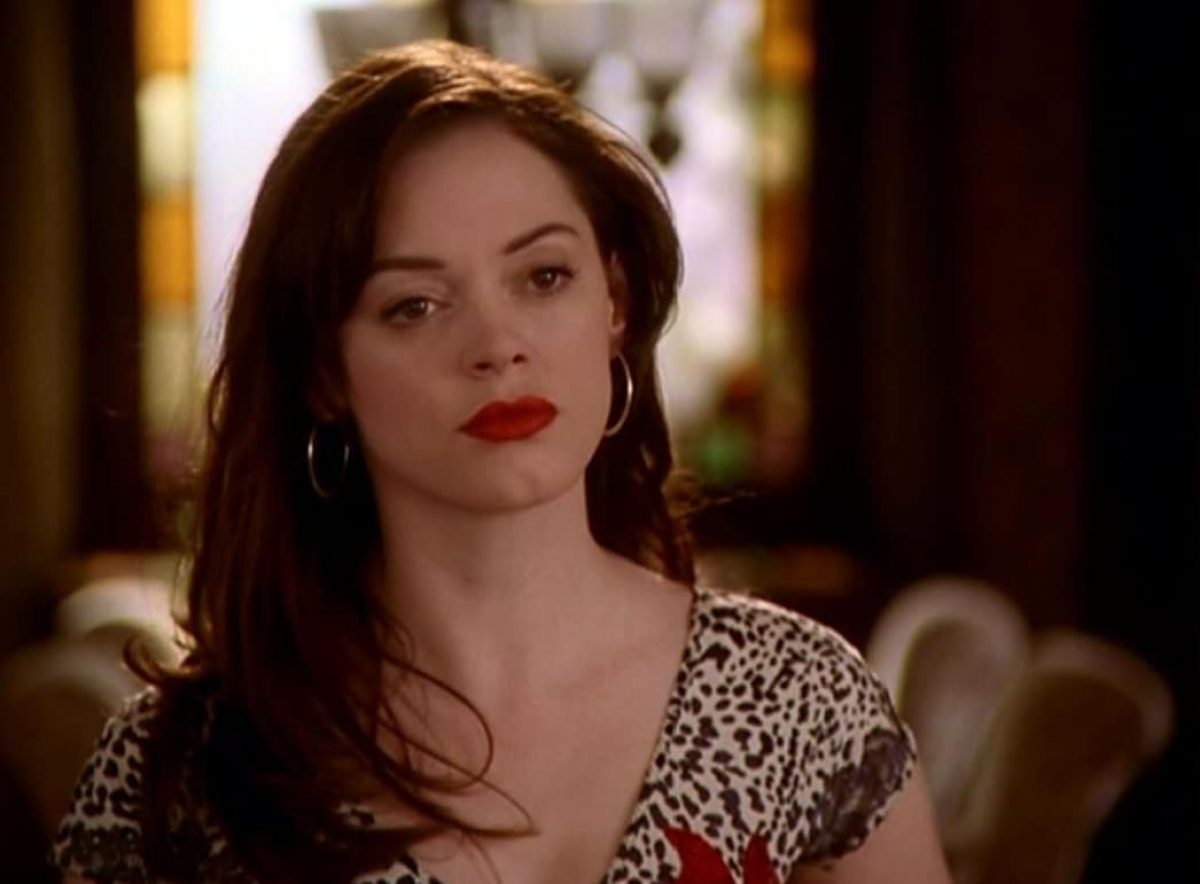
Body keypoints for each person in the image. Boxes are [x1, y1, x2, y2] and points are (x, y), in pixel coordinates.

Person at [52, 39, 951, 884]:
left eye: (544, 277)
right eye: (415, 305)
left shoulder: (797, 703)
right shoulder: (178, 775)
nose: (497, 345)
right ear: (324, 373)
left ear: (614, 304)